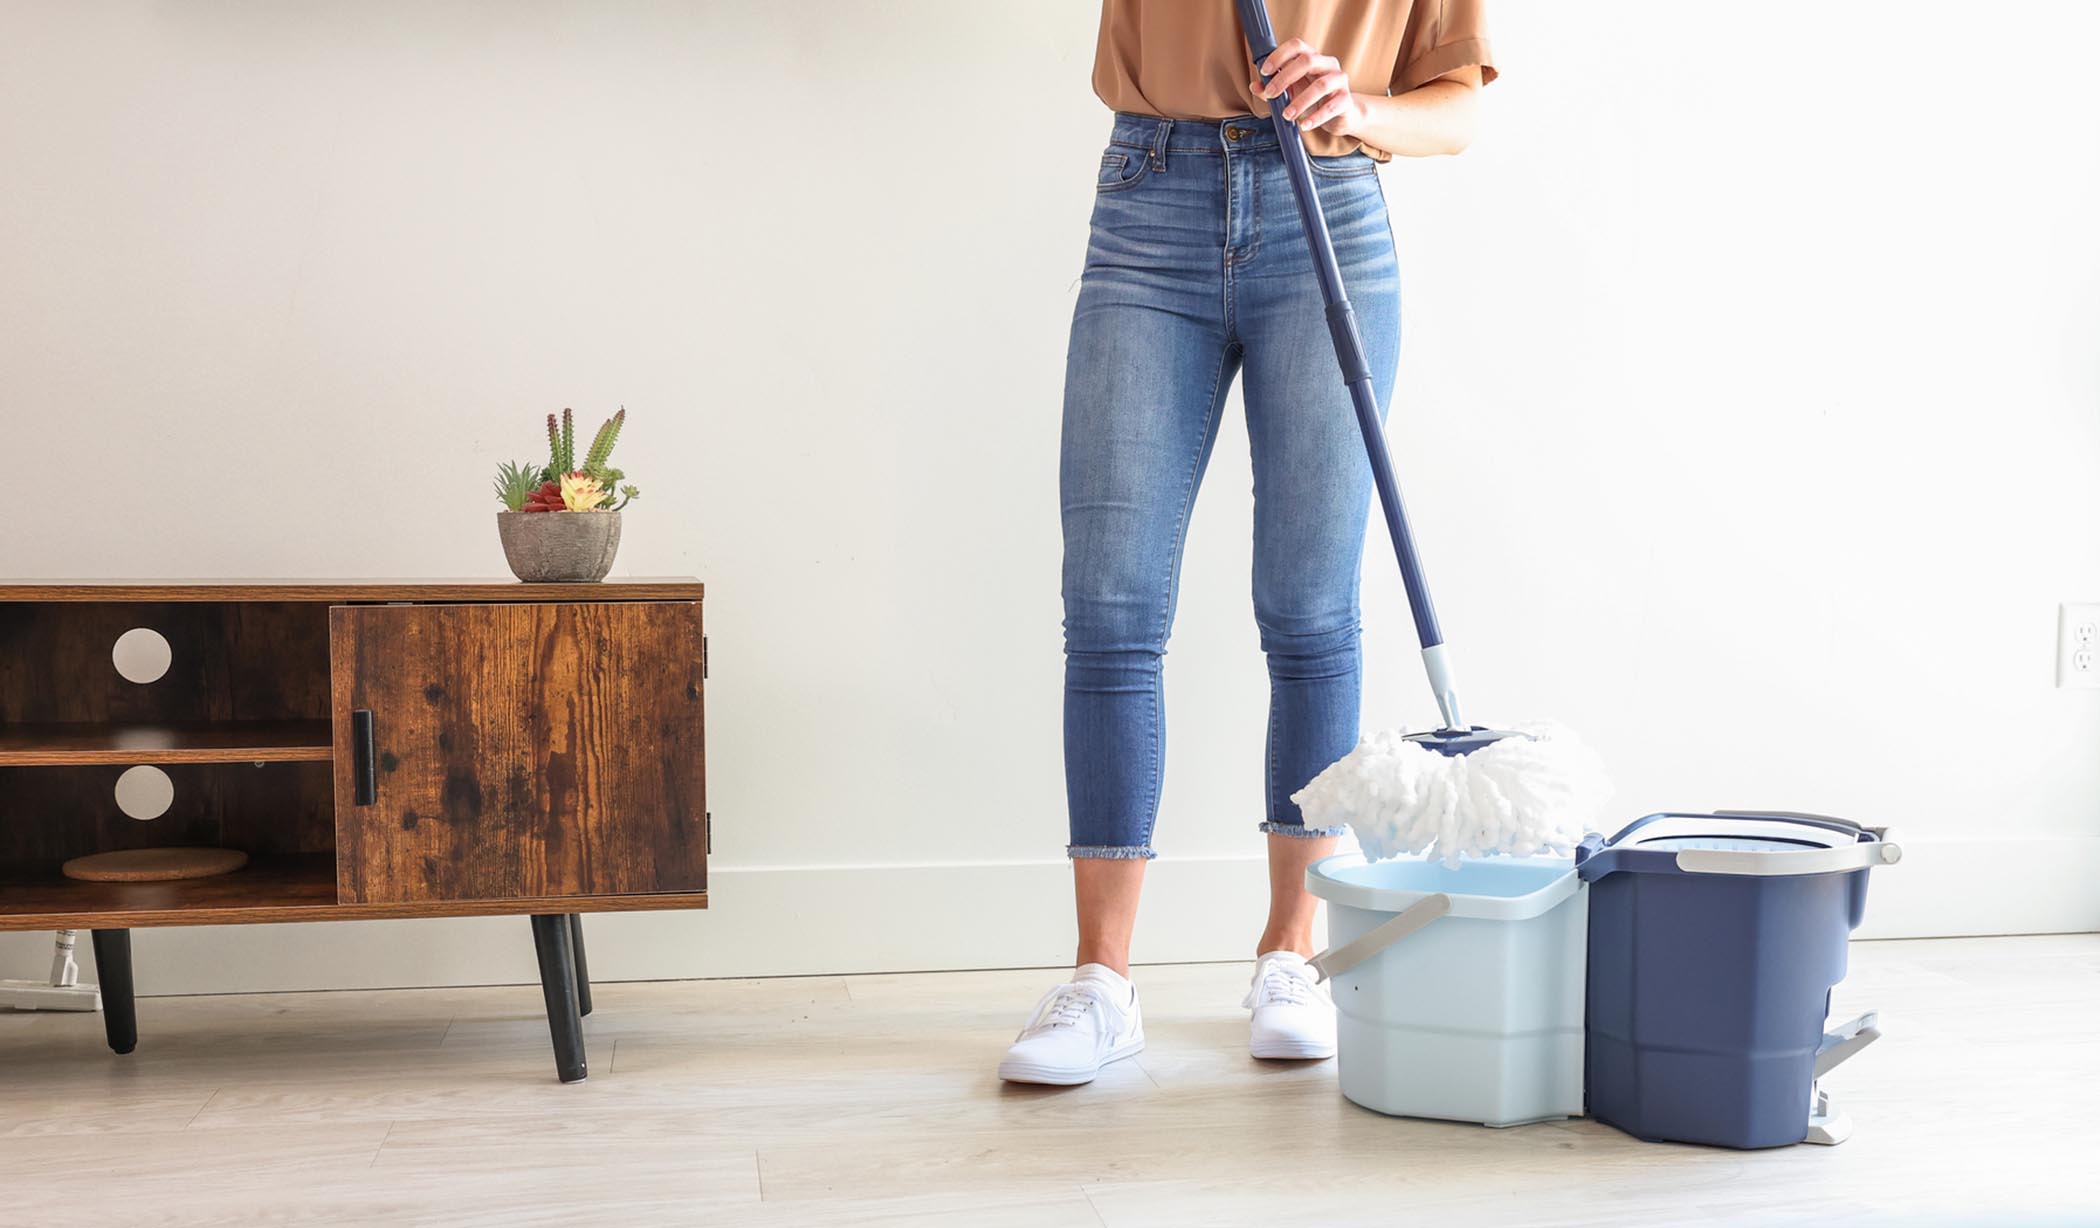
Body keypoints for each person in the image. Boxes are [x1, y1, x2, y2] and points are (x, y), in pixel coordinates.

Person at [999, 0, 1493, 1086]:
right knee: (1114, 606)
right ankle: (1102, 981)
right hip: (1149, 200)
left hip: (1329, 202)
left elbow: (1456, 108)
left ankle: (1291, 954)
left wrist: (1356, 105)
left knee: (1311, 607)